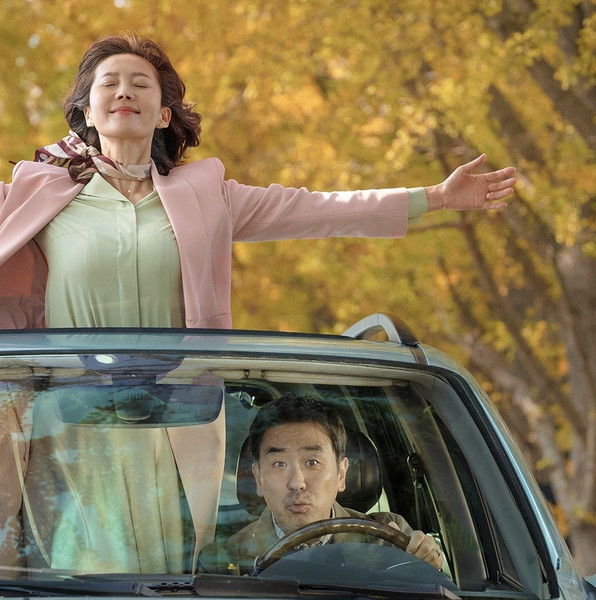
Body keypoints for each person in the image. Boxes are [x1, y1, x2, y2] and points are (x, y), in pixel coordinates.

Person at [0, 32, 514, 573]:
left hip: (178, 421)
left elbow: (317, 211)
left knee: (170, 569)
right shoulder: (33, 192)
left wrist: (434, 198)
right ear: (87, 111)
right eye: (109, 83)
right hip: (72, 424)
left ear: (164, 114)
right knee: (85, 568)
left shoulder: (207, 193)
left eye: (140, 83)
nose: (124, 91)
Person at [198, 394, 444, 575]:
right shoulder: (223, 563)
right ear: (258, 478)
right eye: (279, 464)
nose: (297, 483)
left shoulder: (389, 542)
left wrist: (426, 570)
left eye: (312, 462)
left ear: (341, 474)